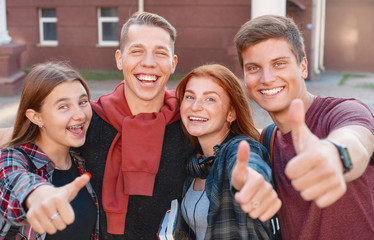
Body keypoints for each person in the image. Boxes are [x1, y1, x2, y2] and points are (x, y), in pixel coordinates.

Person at [234, 15, 374, 239]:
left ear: (303, 67)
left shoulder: (343, 112)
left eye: (279, 64)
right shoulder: (268, 138)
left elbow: (357, 140)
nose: (267, 78)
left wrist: (335, 155)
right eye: (253, 68)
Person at [75, 12, 193, 240]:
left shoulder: (189, 121)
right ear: (119, 58)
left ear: (173, 62)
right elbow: (35, 147)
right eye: (137, 51)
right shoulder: (88, 119)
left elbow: (230, 149)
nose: (148, 63)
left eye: (160, 53)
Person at [176, 64, 281, 239]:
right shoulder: (195, 163)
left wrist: (252, 180)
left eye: (210, 99)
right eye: (189, 96)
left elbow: (249, 164)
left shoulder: (239, 149)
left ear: (231, 113)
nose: (195, 106)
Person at [0, 61, 99, 239]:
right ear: (36, 117)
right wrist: (37, 194)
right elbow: (14, 181)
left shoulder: (82, 159)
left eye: (83, 102)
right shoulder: (13, 158)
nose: (80, 115)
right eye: (63, 106)